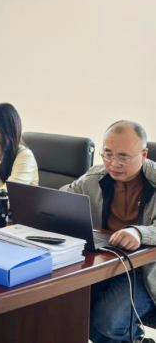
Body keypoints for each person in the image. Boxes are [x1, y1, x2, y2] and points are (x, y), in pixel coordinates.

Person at [61, 121, 156, 343]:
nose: (113, 164)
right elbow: (63, 197)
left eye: (123, 157)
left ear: (143, 155)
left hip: (145, 271)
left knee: (107, 321)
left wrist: (139, 233)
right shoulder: (95, 177)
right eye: (108, 154)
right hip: (105, 262)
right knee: (69, 308)